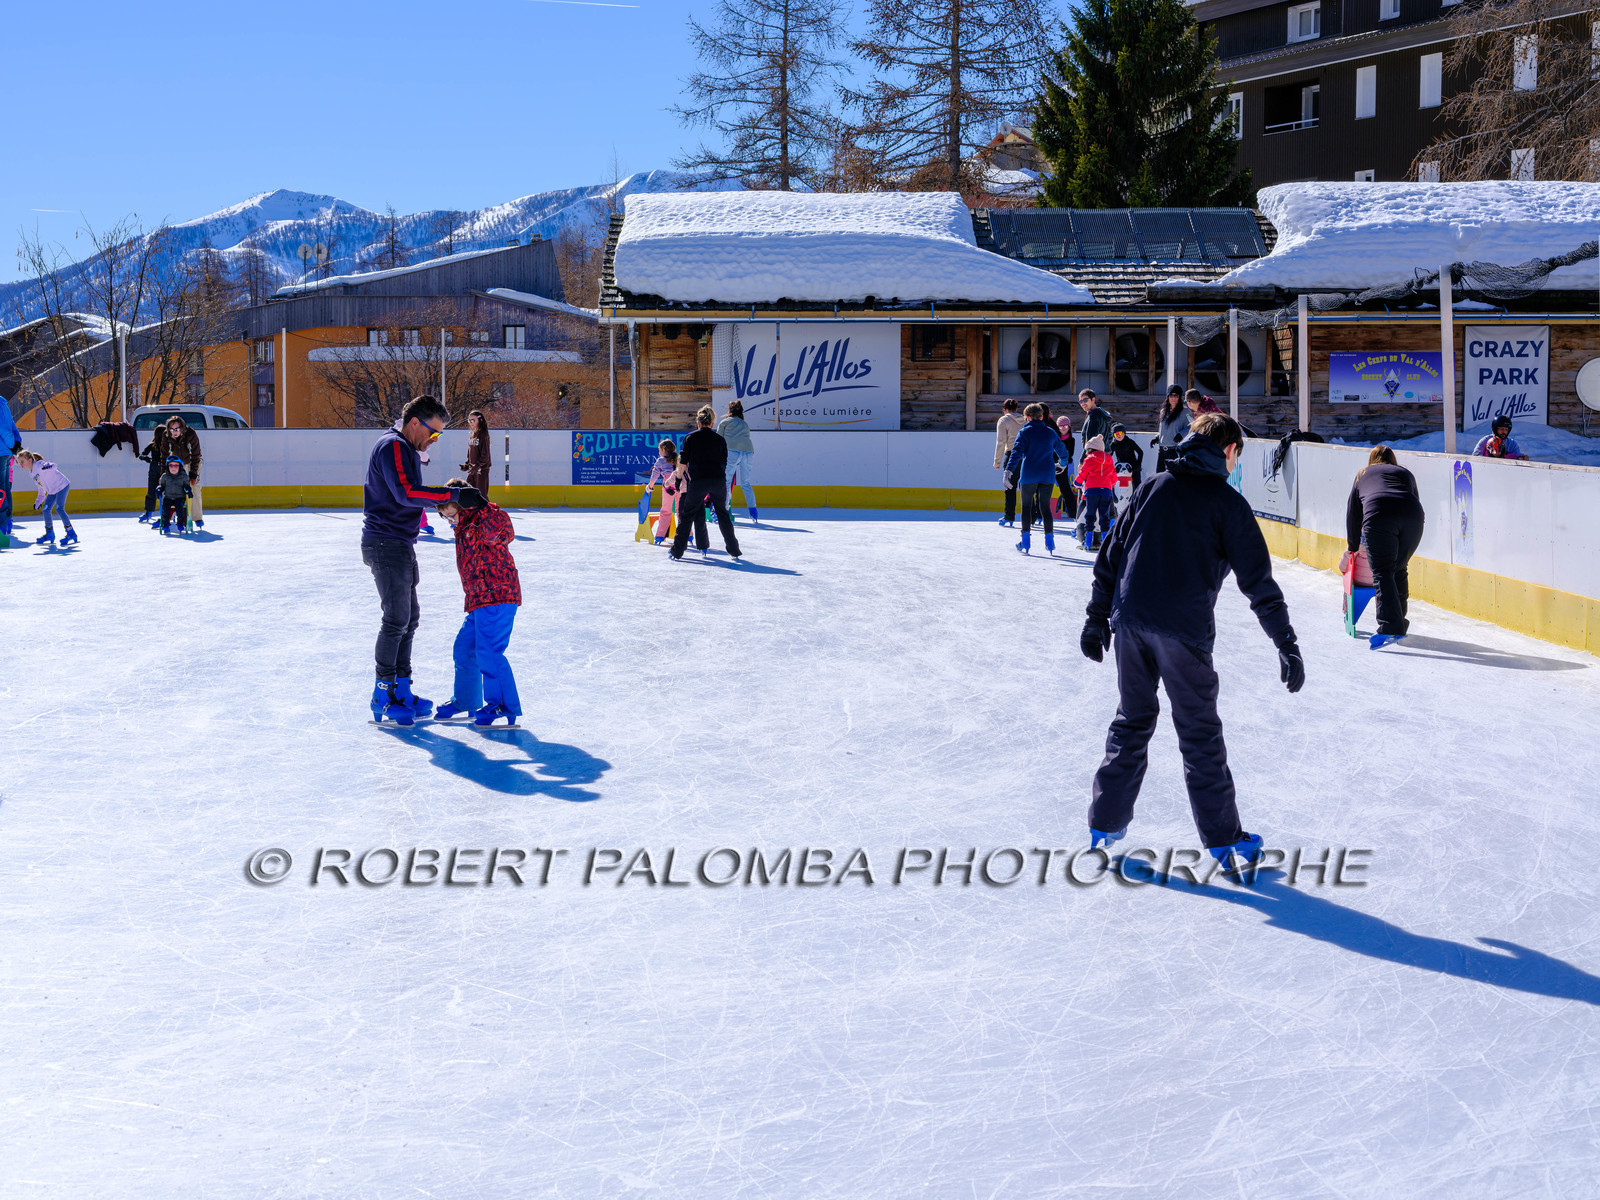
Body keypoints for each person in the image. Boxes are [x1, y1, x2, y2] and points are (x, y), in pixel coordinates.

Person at [1080, 412, 1304, 869]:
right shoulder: (1228, 503)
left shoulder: (1153, 486)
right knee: (1199, 733)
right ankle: (1223, 839)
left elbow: (1110, 555)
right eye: (1237, 453)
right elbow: (1258, 583)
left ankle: (1104, 822)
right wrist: (1286, 642)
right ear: (1228, 451)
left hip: (1130, 621)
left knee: (1132, 717)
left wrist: (1096, 618)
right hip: (1183, 631)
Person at [362, 395, 482, 725]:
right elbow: (406, 492)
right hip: (385, 543)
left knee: (409, 617)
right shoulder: (393, 446)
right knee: (396, 618)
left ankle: (401, 689)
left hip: (398, 543)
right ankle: (382, 693)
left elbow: (408, 493)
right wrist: (454, 495)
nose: (433, 440)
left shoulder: (404, 448)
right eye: (433, 432)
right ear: (415, 422)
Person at [433, 478, 522, 727]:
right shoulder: (462, 526)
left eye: (453, 515)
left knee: (489, 653)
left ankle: (502, 705)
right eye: (446, 517)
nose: (451, 521)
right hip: (477, 600)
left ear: (466, 506)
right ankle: (466, 701)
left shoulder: (487, 518)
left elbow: (506, 532)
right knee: (464, 649)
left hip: (498, 594)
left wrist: (482, 507)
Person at [1345, 445, 1426, 649]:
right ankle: (1399, 623)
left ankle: (1390, 626)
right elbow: (1414, 499)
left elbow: (1353, 514)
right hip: (1413, 518)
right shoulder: (1405, 473)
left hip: (1379, 516)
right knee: (1399, 568)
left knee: (1382, 571)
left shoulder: (1362, 474)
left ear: (1372, 459)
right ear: (1393, 459)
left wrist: (1353, 545)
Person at [670, 406, 742, 562]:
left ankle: (677, 551)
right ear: (712, 423)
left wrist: (678, 478)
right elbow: (724, 463)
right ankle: (734, 550)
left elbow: (682, 463)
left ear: (698, 422)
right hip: (718, 481)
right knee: (723, 515)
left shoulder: (690, 438)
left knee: (687, 515)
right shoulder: (720, 440)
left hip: (699, 482)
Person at [1004, 402, 1069, 554]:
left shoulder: (1024, 433)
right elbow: (1063, 451)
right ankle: (1050, 540)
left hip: (1029, 474)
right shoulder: (1051, 432)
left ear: (1027, 418)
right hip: (1047, 474)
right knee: (1045, 507)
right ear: (1041, 417)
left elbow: (1016, 454)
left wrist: (1008, 471)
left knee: (1026, 506)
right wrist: (1063, 464)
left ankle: (1025, 541)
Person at [140, 414, 204, 529]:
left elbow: (196, 455)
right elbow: (164, 455)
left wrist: (193, 474)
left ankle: (197, 517)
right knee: (170, 484)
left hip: (193, 460)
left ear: (182, 427)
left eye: (177, 429)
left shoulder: (190, 434)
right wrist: (164, 474)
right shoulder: (166, 435)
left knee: (194, 487)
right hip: (177, 461)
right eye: (171, 429)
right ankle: (166, 517)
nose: (174, 431)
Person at [15, 451, 76, 546]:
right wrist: (38, 501)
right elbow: (41, 487)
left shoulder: (39, 465)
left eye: (22, 461)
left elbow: (54, 466)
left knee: (59, 509)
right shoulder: (32, 473)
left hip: (62, 486)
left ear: (30, 460)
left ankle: (71, 532)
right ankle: (49, 534)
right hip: (52, 491)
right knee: (46, 509)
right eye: (19, 462)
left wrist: (47, 466)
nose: (21, 464)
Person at [717, 400, 759, 523]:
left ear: (729, 411)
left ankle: (724, 510)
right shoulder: (744, 424)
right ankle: (753, 511)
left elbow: (719, 440)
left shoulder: (724, 422)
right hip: (748, 451)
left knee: (726, 481)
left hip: (732, 451)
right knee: (746, 483)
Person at [1074, 434, 1119, 549]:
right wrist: (1111, 484)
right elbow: (1113, 475)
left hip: (1092, 491)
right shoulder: (1108, 458)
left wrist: (1077, 483)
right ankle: (1105, 542)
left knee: (1090, 515)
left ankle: (1088, 541)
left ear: (1091, 448)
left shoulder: (1089, 458)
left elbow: (1083, 473)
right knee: (1104, 516)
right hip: (1106, 491)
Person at [642, 439, 684, 545]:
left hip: (668, 486)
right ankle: (689, 535)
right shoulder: (679, 458)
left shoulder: (661, 460)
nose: (659, 452)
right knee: (681, 511)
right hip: (681, 485)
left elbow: (654, 475)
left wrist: (650, 486)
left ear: (664, 449)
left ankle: (660, 536)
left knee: (666, 511)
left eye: (659, 450)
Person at [994, 399, 1024, 526]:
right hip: (1025, 455)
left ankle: (1009, 516)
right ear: (1016, 409)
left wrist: (997, 461)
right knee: (1026, 487)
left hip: (1011, 454)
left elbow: (1000, 441)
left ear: (1004, 409)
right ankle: (1033, 517)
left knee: (1009, 487)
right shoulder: (1025, 419)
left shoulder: (1003, 420)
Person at [1152, 386, 1190, 473]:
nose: (1173, 398)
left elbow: (1191, 426)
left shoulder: (1185, 412)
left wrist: (1181, 434)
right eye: (1171, 396)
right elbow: (1163, 429)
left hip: (1175, 451)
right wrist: (1157, 437)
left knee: (1174, 478)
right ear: (1168, 397)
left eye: (1176, 396)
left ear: (1179, 397)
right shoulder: (1163, 411)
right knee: (1159, 477)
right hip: (1162, 451)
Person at [153, 455, 194, 536]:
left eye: (176, 465)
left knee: (180, 509)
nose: (173, 468)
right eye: (171, 465)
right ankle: (165, 524)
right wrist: (159, 489)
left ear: (180, 466)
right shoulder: (165, 476)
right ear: (168, 467)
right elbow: (162, 485)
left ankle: (180, 523)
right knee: (165, 509)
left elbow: (187, 485)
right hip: (168, 497)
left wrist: (188, 490)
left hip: (179, 498)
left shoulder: (183, 476)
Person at [0, 399, 22, 539]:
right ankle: (8, 520)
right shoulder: (4, 406)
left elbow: (3, 429)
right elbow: (13, 426)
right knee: (5, 487)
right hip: (6, 452)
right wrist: (16, 444)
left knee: (1, 488)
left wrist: (11, 445)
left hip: (1, 452)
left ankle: (2, 522)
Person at [460, 410, 493, 496]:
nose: (471, 422)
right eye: (469, 420)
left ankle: (487, 509)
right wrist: (467, 464)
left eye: (473, 420)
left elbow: (485, 455)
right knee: (468, 492)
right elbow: (470, 453)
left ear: (480, 420)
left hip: (481, 470)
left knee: (481, 495)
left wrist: (477, 466)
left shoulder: (483, 435)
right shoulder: (472, 435)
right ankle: (471, 509)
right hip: (473, 470)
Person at [1053, 416, 1078, 520]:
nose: (1063, 428)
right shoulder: (1054, 438)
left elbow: (1070, 453)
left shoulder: (1071, 440)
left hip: (1062, 467)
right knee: (1044, 487)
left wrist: (1064, 460)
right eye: (1061, 426)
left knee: (1065, 489)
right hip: (1051, 465)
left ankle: (1073, 512)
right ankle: (1039, 513)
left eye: (1066, 425)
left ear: (1069, 427)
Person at [1078, 390, 1112, 462]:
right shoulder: (1101, 414)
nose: (1083, 403)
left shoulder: (1093, 416)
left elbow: (1090, 442)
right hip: (1104, 457)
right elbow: (1109, 436)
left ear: (1093, 399)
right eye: (1081, 401)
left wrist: (1082, 461)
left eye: (1085, 400)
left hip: (1094, 459)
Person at [1109, 424, 1144, 490]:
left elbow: (1140, 452)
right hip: (1121, 467)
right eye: (1116, 434)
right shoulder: (1114, 444)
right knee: (1120, 485)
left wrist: (1138, 465)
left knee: (1136, 485)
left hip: (1133, 466)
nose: (1118, 435)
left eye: (1120, 433)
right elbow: (1109, 455)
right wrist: (1110, 466)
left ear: (1124, 433)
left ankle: (1138, 498)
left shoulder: (1129, 442)